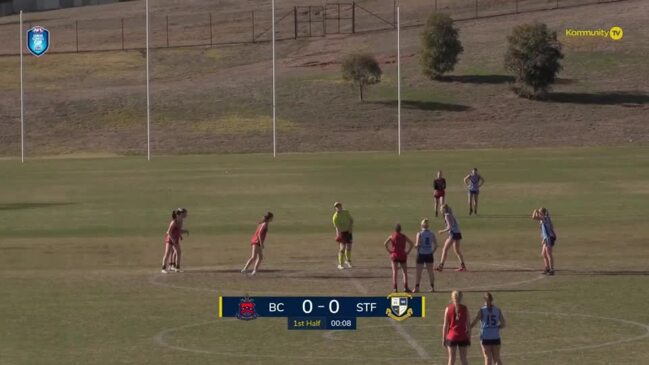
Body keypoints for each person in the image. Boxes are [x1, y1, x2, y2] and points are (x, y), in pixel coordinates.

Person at [470, 292, 506, 365]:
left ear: (484, 300)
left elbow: (475, 321)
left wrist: (468, 328)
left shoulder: (482, 310)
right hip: (495, 336)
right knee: (497, 358)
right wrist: (496, 328)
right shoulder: (497, 310)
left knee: (487, 358)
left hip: (485, 336)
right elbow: (503, 324)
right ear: (492, 299)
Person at [383, 223, 414, 292]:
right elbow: (411, 244)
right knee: (404, 272)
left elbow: (385, 244)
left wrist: (390, 251)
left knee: (394, 272)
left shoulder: (392, 236)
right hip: (402, 255)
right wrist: (407, 252)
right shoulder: (403, 236)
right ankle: (405, 287)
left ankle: (395, 288)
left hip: (394, 255)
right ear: (400, 229)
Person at [241, 212, 274, 276]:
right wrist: (261, 243)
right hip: (256, 241)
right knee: (254, 257)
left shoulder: (264, 223)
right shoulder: (264, 224)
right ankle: (245, 269)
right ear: (269, 218)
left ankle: (253, 271)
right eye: (272, 217)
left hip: (257, 241)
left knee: (260, 257)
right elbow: (259, 233)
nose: (272, 219)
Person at [443, 290, 470, 365]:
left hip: (451, 336)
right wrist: (469, 337)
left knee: (451, 359)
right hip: (463, 336)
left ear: (452, 298)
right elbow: (468, 325)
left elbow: (445, 325)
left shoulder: (448, 309)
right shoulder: (465, 308)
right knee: (464, 359)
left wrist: (444, 338)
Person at [436, 204, 467, 272]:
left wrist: (442, 231)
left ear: (444, 209)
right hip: (458, 233)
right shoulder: (451, 214)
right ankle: (463, 266)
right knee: (457, 251)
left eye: (441, 209)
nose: (440, 210)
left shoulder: (447, 216)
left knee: (445, 249)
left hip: (453, 234)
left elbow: (450, 227)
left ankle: (441, 266)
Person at [161, 208, 189, 274]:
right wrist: (173, 240)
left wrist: (185, 232)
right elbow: (168, 232)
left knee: (178, 252)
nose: (186, 215)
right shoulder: (174, 222)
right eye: (185, 213)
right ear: (180, 214)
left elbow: (178, 230)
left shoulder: (181, 221)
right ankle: (163, 268)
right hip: (170, 239)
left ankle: (177, 268)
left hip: (175, 239)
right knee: (167, 253)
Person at [414, 218, 437, 293]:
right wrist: (432, 252)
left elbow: (417, 244)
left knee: (418, 272)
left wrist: (415, 246)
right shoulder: (432, 234)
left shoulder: (419, 234)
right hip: (429, 254)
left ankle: (417, 287)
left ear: (421, 225)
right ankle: (432, 287)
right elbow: (436, 245)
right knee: (430, 272)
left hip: (421, 254)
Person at [532, 207, 557, 275]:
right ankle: (547, 268)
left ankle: (552, 270)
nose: (539, 214)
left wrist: (535, 210)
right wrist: (543, 238)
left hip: (548, 238)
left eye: (540, 213)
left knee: (548, 254)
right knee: (543, 254)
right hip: (546, 238)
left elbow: (534, 217)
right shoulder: (543, 219)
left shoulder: (544, 218)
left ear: (542, 213)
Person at [332, 202, 354, 270]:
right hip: (342, 233)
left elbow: (351, 220)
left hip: (348, 231)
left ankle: (348, 261)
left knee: (349, 247)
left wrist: (350, 229)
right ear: (335, 208)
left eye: (339, 206)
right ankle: (340, 264)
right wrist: (338, 235)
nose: (338, 208)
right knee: (342, 248)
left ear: (341, 206)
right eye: (337, 207)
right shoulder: (335, 217)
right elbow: (337, 227)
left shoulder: (346, 212)